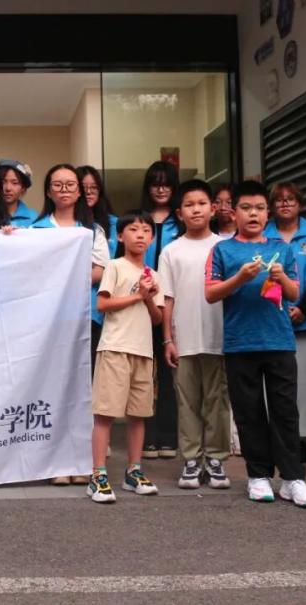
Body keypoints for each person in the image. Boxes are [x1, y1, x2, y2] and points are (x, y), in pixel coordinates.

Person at [204, 180, 306, 508]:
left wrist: (281, 277)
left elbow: (295, 293)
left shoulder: (282, 248)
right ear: (234, 213)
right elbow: (210, 293)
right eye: (245, 208)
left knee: (285, 411)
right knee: (249, 411)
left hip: (279, 340)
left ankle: (293, 479)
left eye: (258, 208)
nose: (252, 214)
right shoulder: (222, 250)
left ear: (267, 214)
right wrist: (240, 277)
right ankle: (258, 475)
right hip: (240, 343)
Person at [32, 163, 109, 486]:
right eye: (57, 185)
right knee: (53, 388)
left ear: (80, 191)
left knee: (84, 391)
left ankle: (83, 461)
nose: (64, 190)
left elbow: (100, 270)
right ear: (48, 191)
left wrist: (63, 277)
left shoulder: (93, 229)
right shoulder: (35, 230)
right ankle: (56, 462)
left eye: (70, 184)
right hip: (47, 322)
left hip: (85, 319)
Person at [160, 180, 231, 490]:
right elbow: (167, 298)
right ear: (179, 213)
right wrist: (168, 339)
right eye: (189, 205)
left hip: (219, 337)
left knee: (218, 401)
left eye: (202, 203)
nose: (196, 209)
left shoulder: (225, 246)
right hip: (184, 338)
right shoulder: (171, 251)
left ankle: (215, 459)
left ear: (213, 209)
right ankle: (191, 458)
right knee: (187, 402)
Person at [88, 213, 164, 503]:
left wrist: (148, 297)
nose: (140, 235)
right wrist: (138, 295)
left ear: (152, 238)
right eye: (133, 229)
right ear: (120, 236)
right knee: (105, 413)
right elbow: (102, 303)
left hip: (143, 351)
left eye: (146, 230)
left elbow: (157, 318)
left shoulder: (153, 274)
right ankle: (98, 475)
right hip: (115, 348)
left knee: (138, 414)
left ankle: (134, 471)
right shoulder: (115, 266)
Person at [264, 182, 306, 450]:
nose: (285, 204)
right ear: (271, 206)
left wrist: (304, 308)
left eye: (291, 199)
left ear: (300, 204)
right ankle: (280, 441)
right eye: (279, 200)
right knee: (278, 389)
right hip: (273, 323)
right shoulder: (262, 235)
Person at [140, 161, 181, 460]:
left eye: (166, 183)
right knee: (143, 373)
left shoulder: (180, 221)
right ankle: (147, 437)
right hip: (141, 304)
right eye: (155, 183)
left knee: (169, 372)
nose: (161, 188)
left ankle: (169, 436)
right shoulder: (138, 218)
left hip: (174, 304)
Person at [78, 166, 117, 373]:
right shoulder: (67, 225)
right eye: (83, 187)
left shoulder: (115, 224)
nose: (89, 192)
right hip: (73, 308)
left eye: (94, 187)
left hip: (108, 306)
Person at [0, 159, 39, 227]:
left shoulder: (34, 218)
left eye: (15, 183)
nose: (8, 188)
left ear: (23, 188)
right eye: (3, 182)